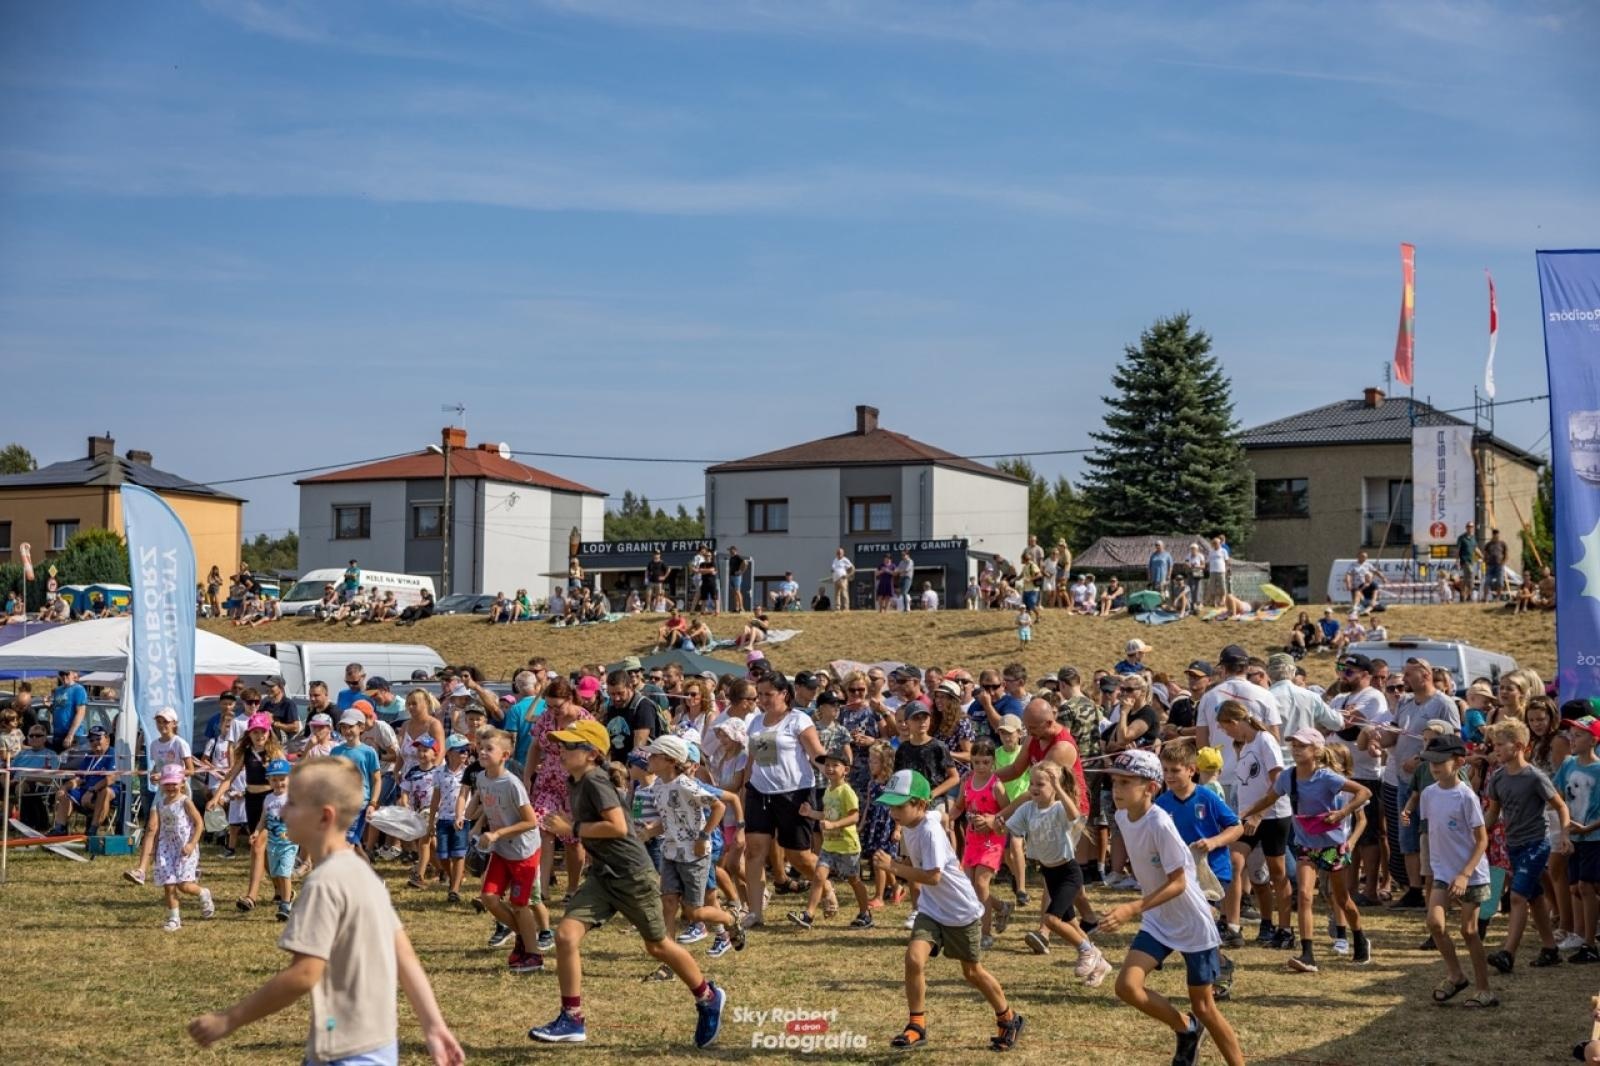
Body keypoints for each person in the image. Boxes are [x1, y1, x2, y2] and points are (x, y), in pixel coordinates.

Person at [188, 758, 464, 1066]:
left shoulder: (324, 883)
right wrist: (434, 1025)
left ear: (324, 817)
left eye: (292, 803)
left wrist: (228, 1019)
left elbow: (304, 974)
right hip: (378, 1046)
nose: (281, 810)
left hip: (344, 1052)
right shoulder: (363, 873)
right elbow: (404, 954)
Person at [531, 719, 727, 1048]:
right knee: (565, 936)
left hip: (632, 876)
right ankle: (572, 1018)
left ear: (592, 754)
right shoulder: (576, 779)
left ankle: (708, 997)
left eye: (568, 746)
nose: (560, 750)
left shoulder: (595, 781)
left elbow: (619, 827)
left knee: (658, 946)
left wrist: (573, 827)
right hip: (602, 875)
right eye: (560, 744)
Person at [1099, 750, 1244, 1066]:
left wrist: (1131, 908)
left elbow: (1179, 882)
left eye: (1126, 782)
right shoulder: (1123, 817)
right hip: (1158, 920)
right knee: (1127, 986)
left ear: (1150, 788)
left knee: (1205, 1006)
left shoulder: (1160, 823)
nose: (1117, 789)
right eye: (1115, 782)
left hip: (1192, 922)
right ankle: (1186, 1028)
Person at [873, 769, 1026, 1052]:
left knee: (972, 972)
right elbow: (941, 815)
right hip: (932, 909)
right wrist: (948, 829)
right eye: (891, 805)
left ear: (919, 804)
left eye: (898, 806)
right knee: (914, 958)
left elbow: (933, 876)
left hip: (960, 911)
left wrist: (893, 867)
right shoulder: (919, 819)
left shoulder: (928, 831)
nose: (893, 811)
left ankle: (1009, 1018)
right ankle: (916, 1025)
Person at [1243, 728, 1373, 973]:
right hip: (1306, 845)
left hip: (1333, 846)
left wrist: (1342, 813)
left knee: (1342, 899)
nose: (1296, 749)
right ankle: (1308, 953)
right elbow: (1269, 799)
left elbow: (1364, 792)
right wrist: (1244, 814)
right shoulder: (1287, 777)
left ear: (1316, 751)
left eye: (1302, 745)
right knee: (1303, 895)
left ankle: (1359, 937)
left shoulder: (1327, 777)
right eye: (1293, 745)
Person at [1412, 733, 1497, 1006]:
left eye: (1440, 761)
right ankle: (1456, 975)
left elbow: (1482, 839)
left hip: (1471, 874)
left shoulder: (1466, 796)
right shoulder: (1428, 794)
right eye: (1430, 761)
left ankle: (1485, 989)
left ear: (1459, 761)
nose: (1434, 766)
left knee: (1469, 932)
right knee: (1435, 924)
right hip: (1443, 873)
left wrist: (1464, 874)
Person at [1485, 717, 1573, 974]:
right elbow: (1493, 812)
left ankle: (1508, 953)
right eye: (1494, 745)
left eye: (1501, 745)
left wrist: (1565, 835)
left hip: (1536, 844)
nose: (1496, 750)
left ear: (1520, 746)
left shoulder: (1534, 776)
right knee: (1534, 897)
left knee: (1517, 896)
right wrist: (1479, 834)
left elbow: (1560, 806)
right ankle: (1550, 949)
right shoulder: (1498, 778)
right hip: (1514, 845)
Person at [470, 728, 550, 974]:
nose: (482, 752)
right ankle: (524, 937)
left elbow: (530, 821)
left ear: (505, 755)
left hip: (523, 851)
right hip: (501, 850)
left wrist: (497, 834)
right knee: (489, 898)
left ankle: (533, 955)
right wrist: (473, 817)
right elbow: (484, 803)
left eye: (489, 749)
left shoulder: (512, 783)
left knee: (519, 904)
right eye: (480, 748)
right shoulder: (483, 777)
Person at [1217, 702, 1293, 950]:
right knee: (1234, 863)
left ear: (1235, 721)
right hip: (1247, 816)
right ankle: (1233, 927)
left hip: (1272, 816)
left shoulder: (1265, 741)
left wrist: (1259, 815)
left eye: (1226, 728)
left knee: (1277, 873)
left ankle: (1283, 928)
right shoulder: (1246, 745)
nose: (1226, 734)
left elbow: (1278, 783)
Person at [124, 706, 196, 887]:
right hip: (162, 791)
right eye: (159, 721)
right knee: (152, 827)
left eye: (166, 721)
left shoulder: (180, 743)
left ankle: (190, 863)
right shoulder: (155, 744)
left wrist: (170, 776)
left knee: (181, 829)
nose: (162, 725)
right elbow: (157, 768)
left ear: (174, 724)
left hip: (180, 791)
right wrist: (155, 775)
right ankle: (141, 870)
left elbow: (191, 770)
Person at [143, 762, 213, 931]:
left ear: (182, 783)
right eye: (166, 783)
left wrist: (191, 844)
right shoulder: (160, 805)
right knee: (169, 884)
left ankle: (203, 893)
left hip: (185, 849)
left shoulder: (185, 802)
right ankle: (174, 918)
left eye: (174, 783)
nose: (170, 787)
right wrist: (154, 850)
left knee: (184, 885)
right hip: (166, 849)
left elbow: (199, 823)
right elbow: (158, 829)